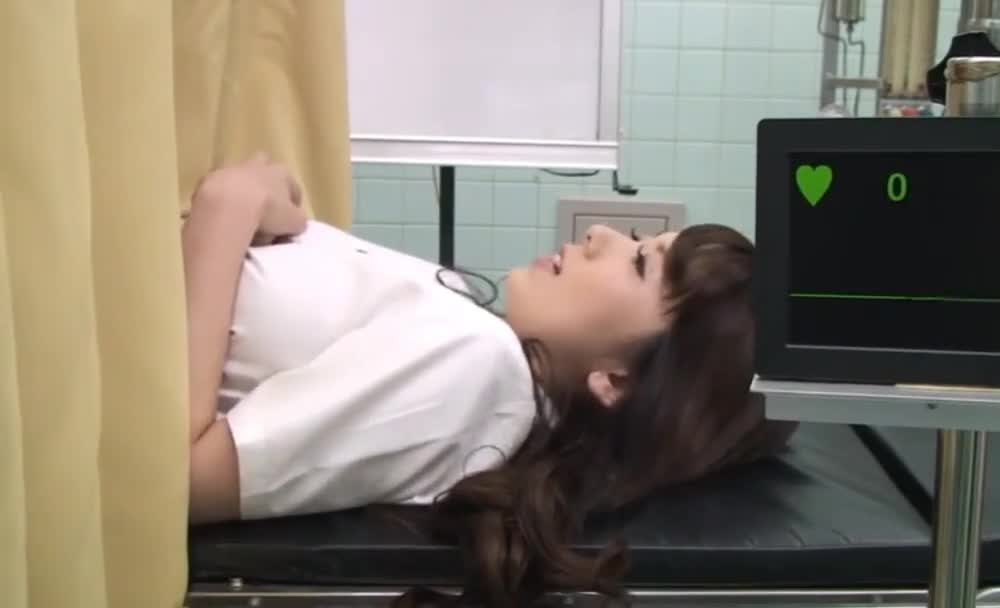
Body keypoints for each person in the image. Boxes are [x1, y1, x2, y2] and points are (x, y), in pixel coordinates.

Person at [184, 156, 797, 605]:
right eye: (638, 240)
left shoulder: (478, 370)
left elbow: (179, 478)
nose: (600, 235)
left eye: (639, 263)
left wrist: (228, 206)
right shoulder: (481, 339)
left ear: (618, 381)